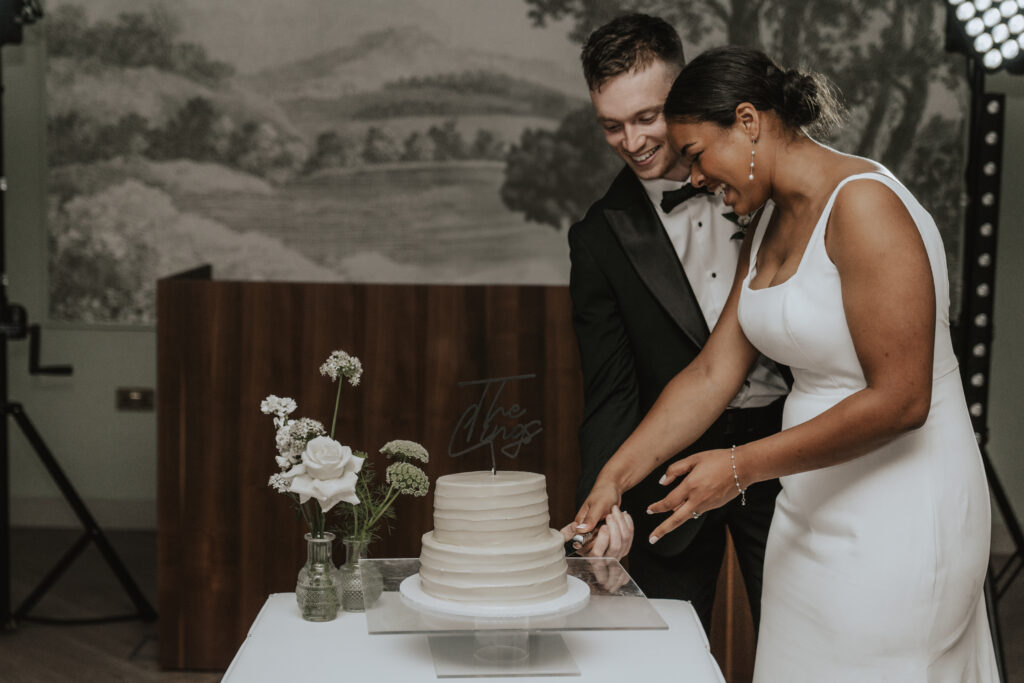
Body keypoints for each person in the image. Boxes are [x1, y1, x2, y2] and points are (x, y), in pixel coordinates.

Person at [574, 45, 998, 681]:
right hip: (810, 506)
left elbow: (904, 399)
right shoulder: (767, 217)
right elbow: (713, 374)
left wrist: (741, 466)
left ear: (748, 121)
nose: (691, 177)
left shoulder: (863, 203)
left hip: (901, 510)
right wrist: (615, 474)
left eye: (695, 155)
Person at [568, 14, 789, 632]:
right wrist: (600, 504)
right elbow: (609, 391)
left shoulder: (770, 180)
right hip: (668, 471)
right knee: (663, 650)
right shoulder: (597, 237)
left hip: (786, 447)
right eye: (611, 125)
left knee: (800, 640)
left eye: (646, 117)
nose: (632, 141)